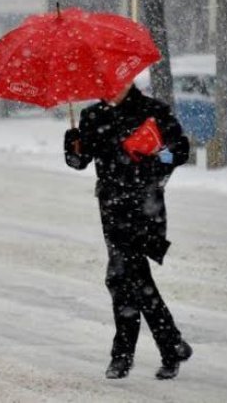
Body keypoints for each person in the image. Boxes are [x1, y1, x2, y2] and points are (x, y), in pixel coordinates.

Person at [63, 82, 193, 380]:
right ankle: (169, 345)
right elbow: (80, 162)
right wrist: (73, 145)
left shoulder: (153, 110)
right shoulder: (92, 116)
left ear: (128, 80)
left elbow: (181, 151)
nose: (110, 90)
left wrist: (156, 153)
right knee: (127, 277)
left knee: (122, 276)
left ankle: (128, 354)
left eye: (116, 84)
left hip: (145, 205)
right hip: (111, 207)